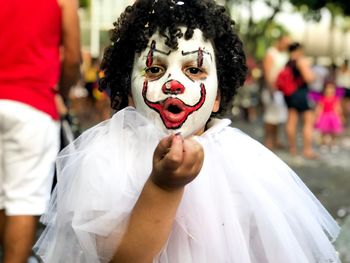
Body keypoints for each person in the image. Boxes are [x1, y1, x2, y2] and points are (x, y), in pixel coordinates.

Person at [34, 1, 340, 262]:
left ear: (218, 94)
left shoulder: (245, 164)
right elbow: (121, 258)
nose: (173, 83)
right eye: (154, 69)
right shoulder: (108, 159)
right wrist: (163, 187)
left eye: (194, 69)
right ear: (128, 90)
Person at [0, 0, 80, 262]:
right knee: (22, 200)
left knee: (4, 196)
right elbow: (72, 58)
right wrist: (61, 94)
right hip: (31, 104)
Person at [283, 42, 317, 158]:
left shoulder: (288, 62)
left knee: (291, 120)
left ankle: (292, 149)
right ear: (299, 50)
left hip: (289, 94)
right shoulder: (301, 61)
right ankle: (307, 150)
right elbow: (309, 78)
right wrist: (313, 74)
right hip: (301, 93)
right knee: (308, 121)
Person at [261, 34, 291, 150]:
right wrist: (271, 88)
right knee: (270, 116)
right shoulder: (271, 53)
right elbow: (268, 73)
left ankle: (276, 139)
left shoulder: (284, 55)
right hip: (272, 89)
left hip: (281, 90)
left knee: (279, 117)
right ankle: (268, 140)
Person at [315, 81, 344, 152]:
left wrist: (340, 117)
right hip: (324, 117)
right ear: (324, 89)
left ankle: (333, 144)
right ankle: (324, 144)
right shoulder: (322, 99)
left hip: (333, 117)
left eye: (331, 88)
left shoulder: (336, 99)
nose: (330, 90)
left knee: (334, 132)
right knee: (324, 132)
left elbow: (337, 108)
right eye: (328, 88)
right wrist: (317, 117)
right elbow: (319, 108)